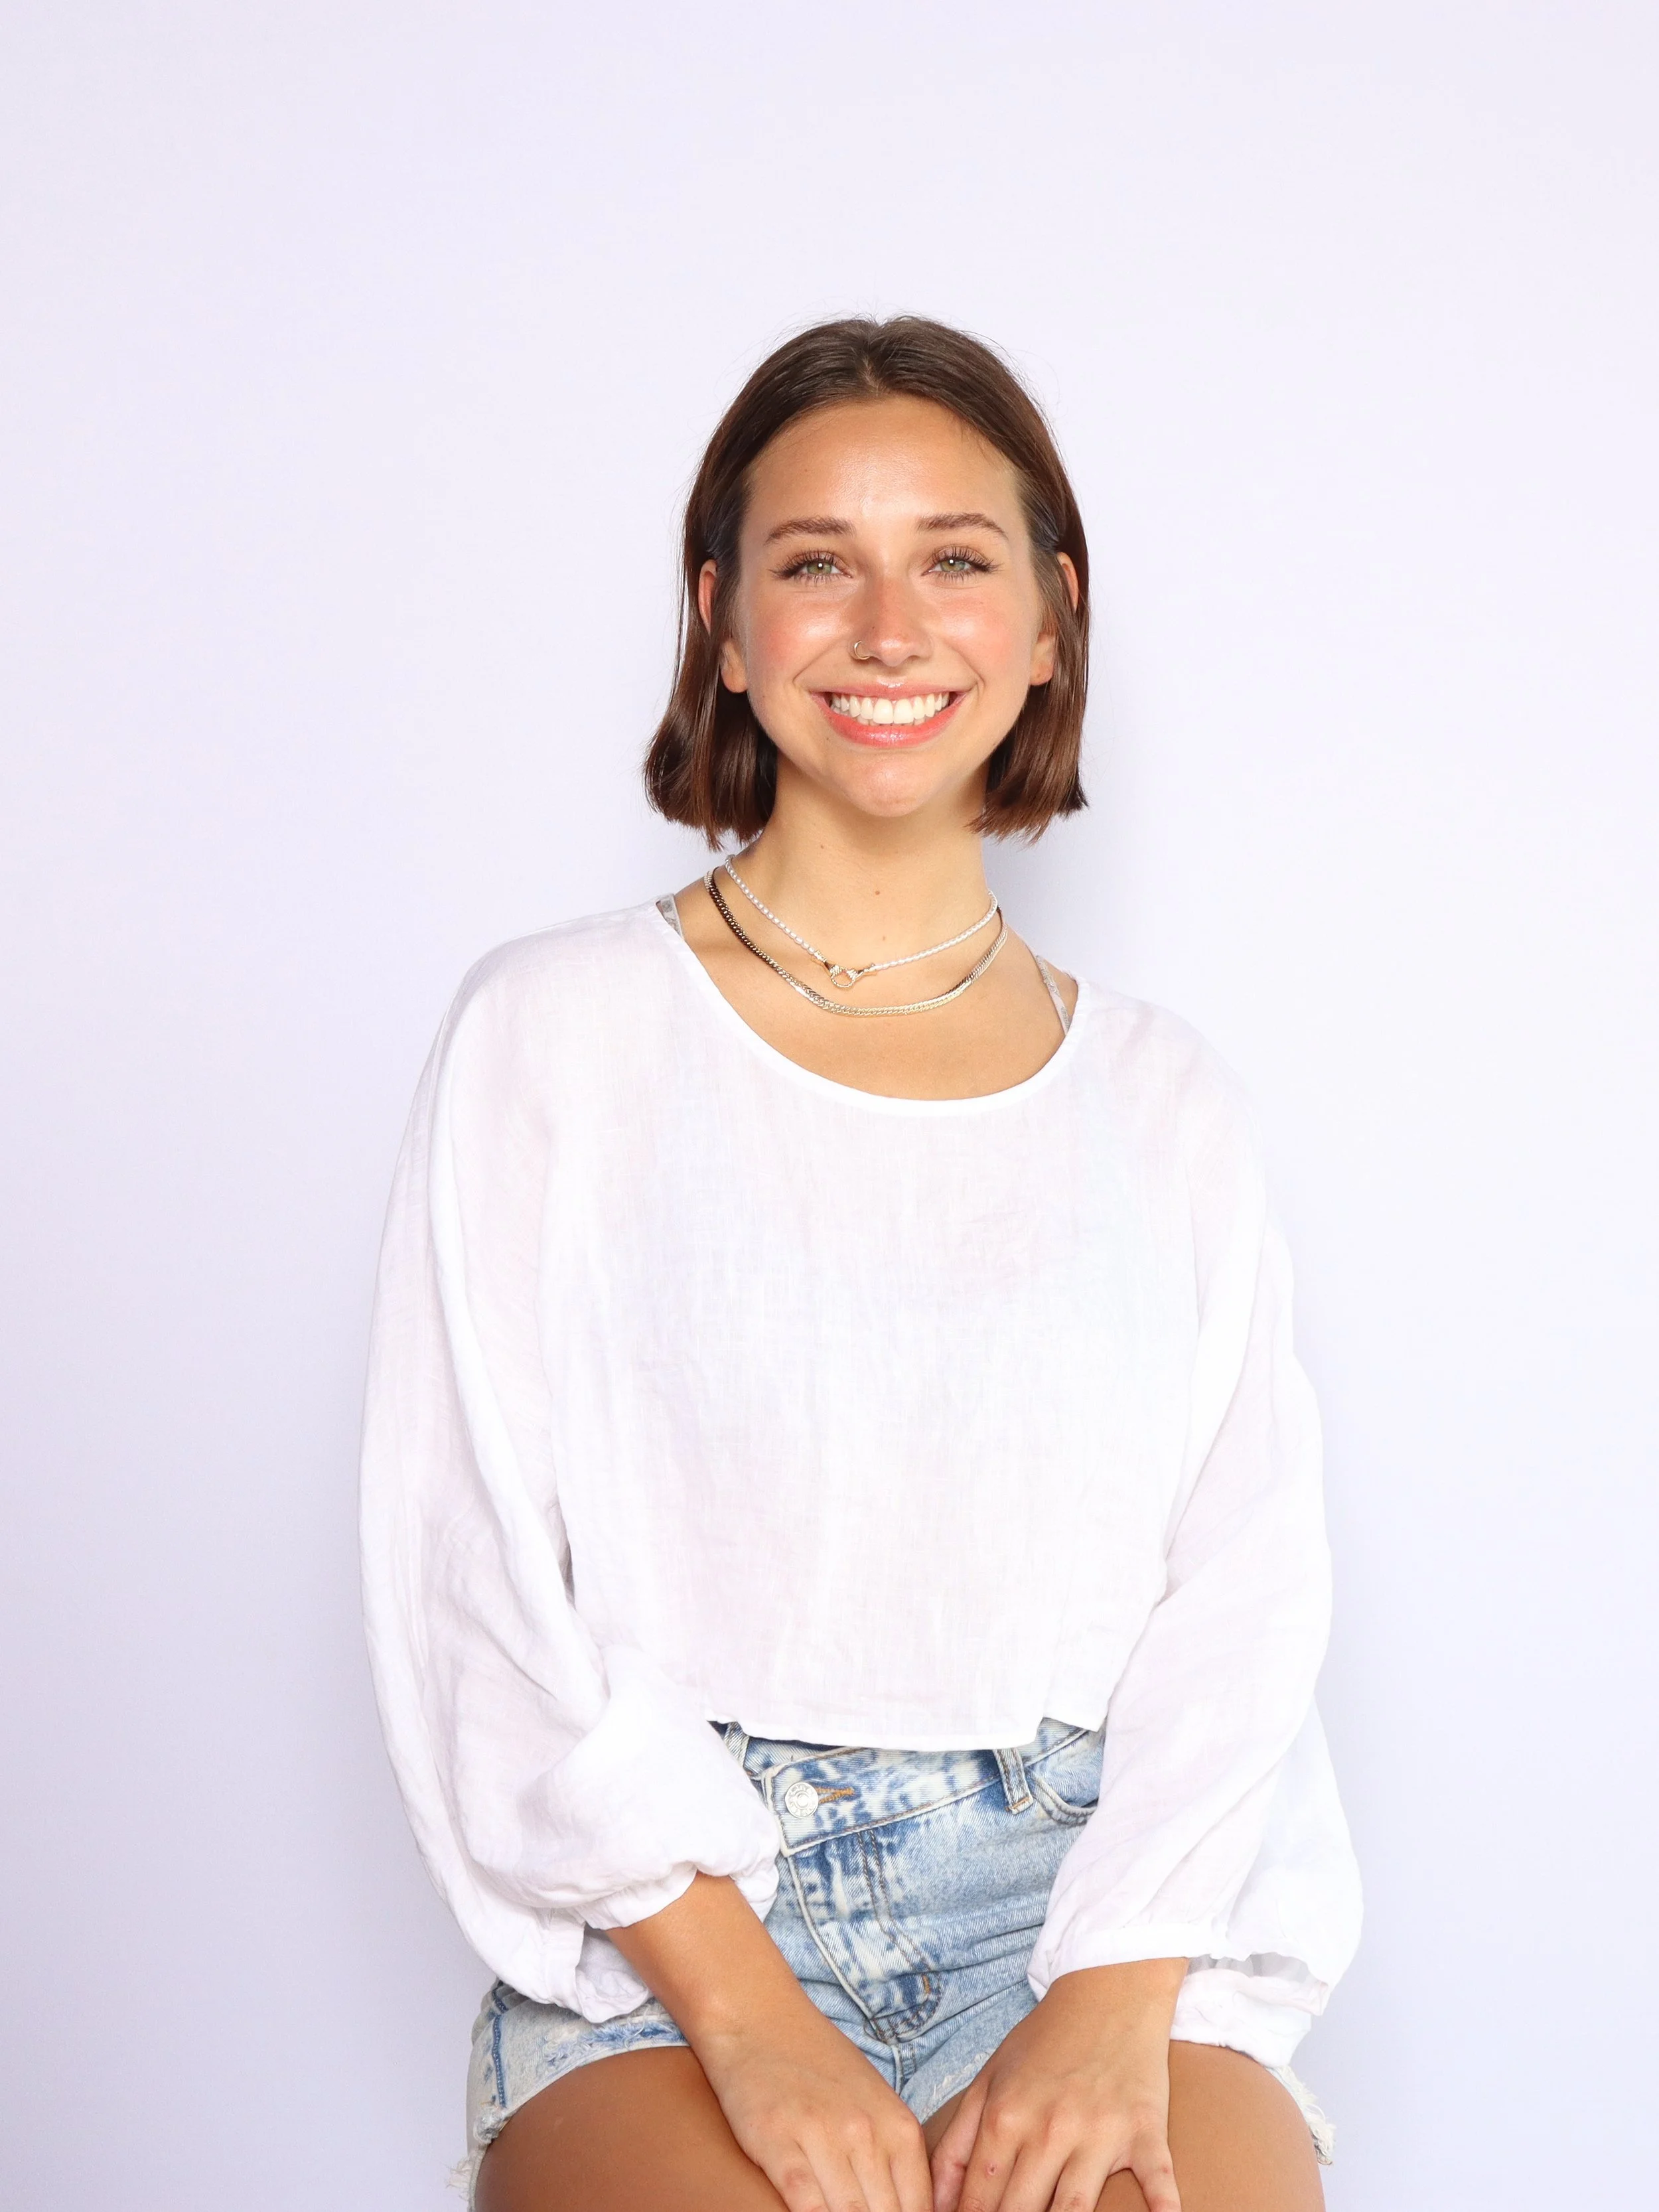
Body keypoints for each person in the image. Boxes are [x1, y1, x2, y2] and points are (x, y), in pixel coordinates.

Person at [360, 317, 1362, 2212]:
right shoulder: (552, 1033)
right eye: (819, 561)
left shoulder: (1163, 1097)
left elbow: (1243, 1599)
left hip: (1089, 1897)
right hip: (676, 1924)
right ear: (724, 622)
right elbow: (473, 1579)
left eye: (954, 559)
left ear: (1051, 618)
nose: (889, 628)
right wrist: (750, 2019)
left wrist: (1111, 1993)